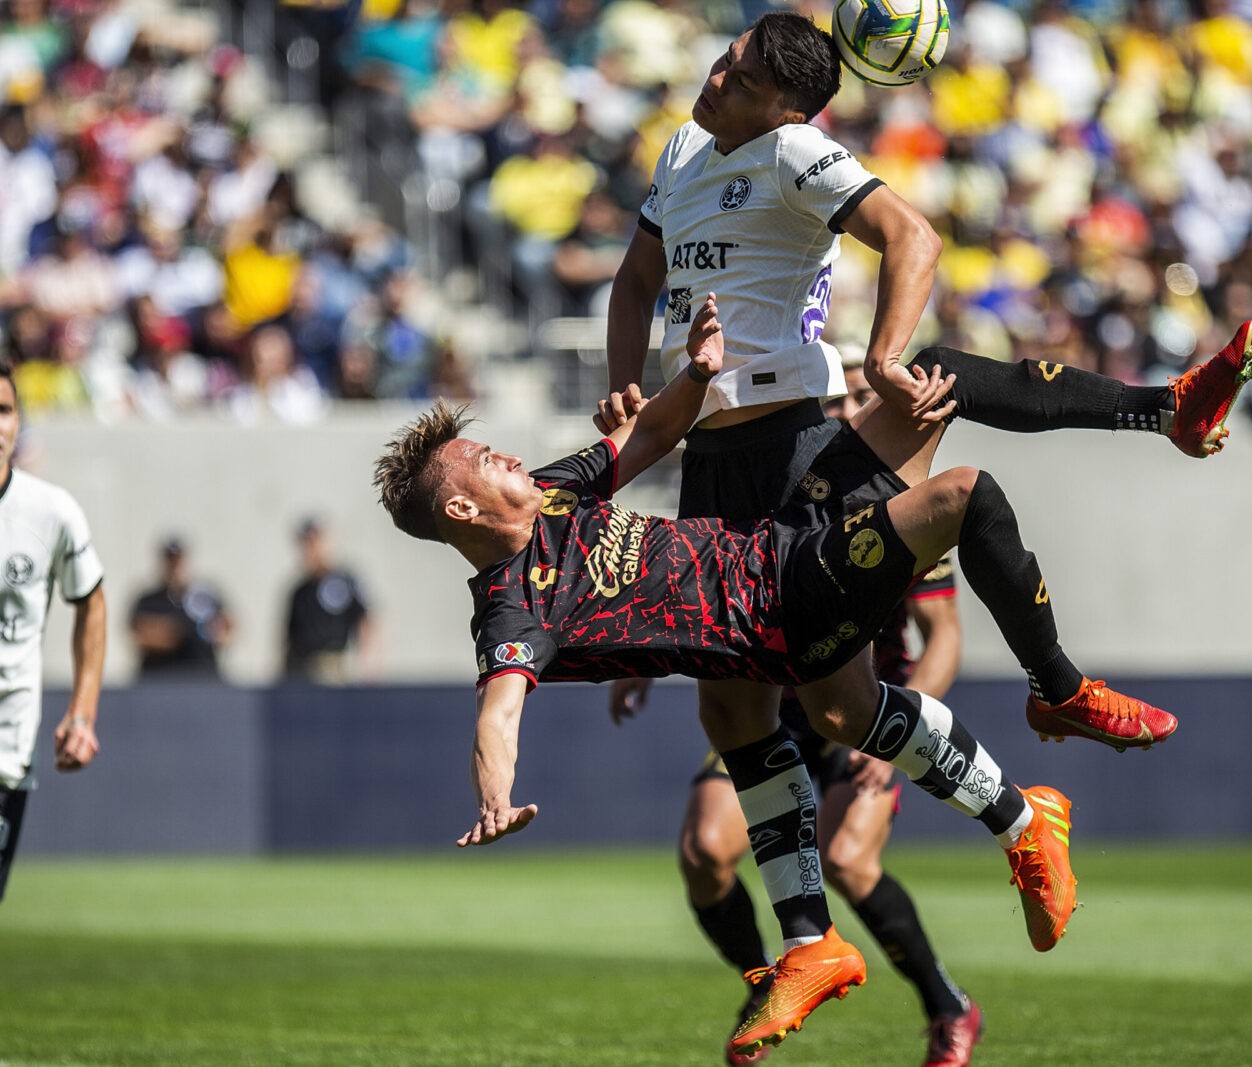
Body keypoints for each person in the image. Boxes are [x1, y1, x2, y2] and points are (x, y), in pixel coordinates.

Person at [599, 13, 1252, 1055]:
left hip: (792, 442)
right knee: (769, 703)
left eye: (740, 73)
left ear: (785, 106)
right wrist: (625, 382)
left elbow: (914, 234)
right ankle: (982, 836)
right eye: (721, 57)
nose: (715, 74)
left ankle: (1156, 417)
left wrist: (884, 348)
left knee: (932, 396)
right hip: (711, 460)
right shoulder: (682, 150)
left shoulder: (799, 151)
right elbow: (636, 280)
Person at [373, 295, 1191, 1056]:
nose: (505, 452)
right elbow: (500, 710)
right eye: (484, 458)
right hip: (780, 606)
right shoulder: (514, 607)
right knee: (964, 497)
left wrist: (694, 374)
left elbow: (648, 438)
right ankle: (1058, 704)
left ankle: (847, 922)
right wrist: (493, 794)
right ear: (462, 510)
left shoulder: (550, 493)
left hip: (779, 557)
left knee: (934, 379)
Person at [617, 355, 979, 1066]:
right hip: (768, 707)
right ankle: (768, 979)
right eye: (835, 395)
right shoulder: (770, 481)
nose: (845, 407)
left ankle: (949, 1007)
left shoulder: (896, 501)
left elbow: (944, 641)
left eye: (860, 395)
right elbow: (706, 584)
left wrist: (889, 742)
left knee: (847, 859)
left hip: (856, 710)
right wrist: (641, 658)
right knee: (702, 854)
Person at [0, 360, 107, 904]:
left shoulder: (49, 512)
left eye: (4, 410)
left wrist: (82, 711)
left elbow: (91, 600)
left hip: (5, 752)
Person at [283, 516, 375, 683]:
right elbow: (289, 639)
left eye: (315, 542)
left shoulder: (345, 581)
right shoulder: (300, 591)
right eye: (306, 544)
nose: (311, 550)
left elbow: (366, 623)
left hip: (331, 668)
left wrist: (368, 668)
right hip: (300, 668)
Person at [128, 536, 233, 680]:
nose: (175, 566)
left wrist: (209, 633)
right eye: (170, 561)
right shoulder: (149, 600)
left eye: (178, 560)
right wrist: (184, 632)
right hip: (160, 679)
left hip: (203, 678)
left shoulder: (205, 596)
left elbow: (227, 630)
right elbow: (141, 634)